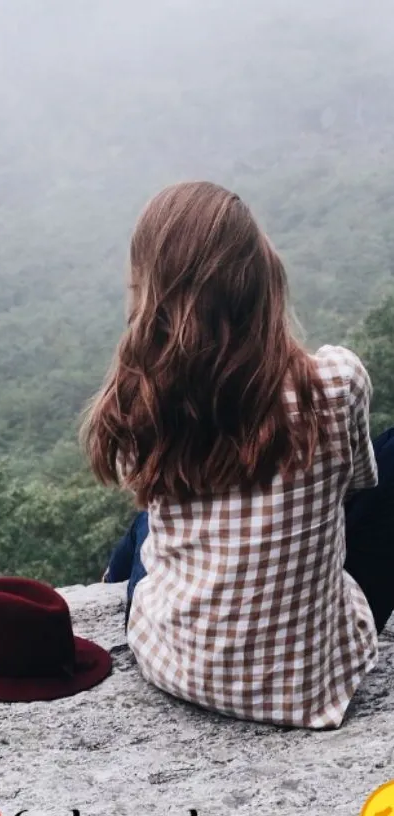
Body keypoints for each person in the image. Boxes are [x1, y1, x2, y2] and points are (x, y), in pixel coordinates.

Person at [82, 181, 394, 730]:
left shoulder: (141, 404)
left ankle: (114, 574)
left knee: (144, 523)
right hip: (306, 687)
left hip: (172, 661)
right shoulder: (337, 381)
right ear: (263, 280)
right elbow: (355, 487)